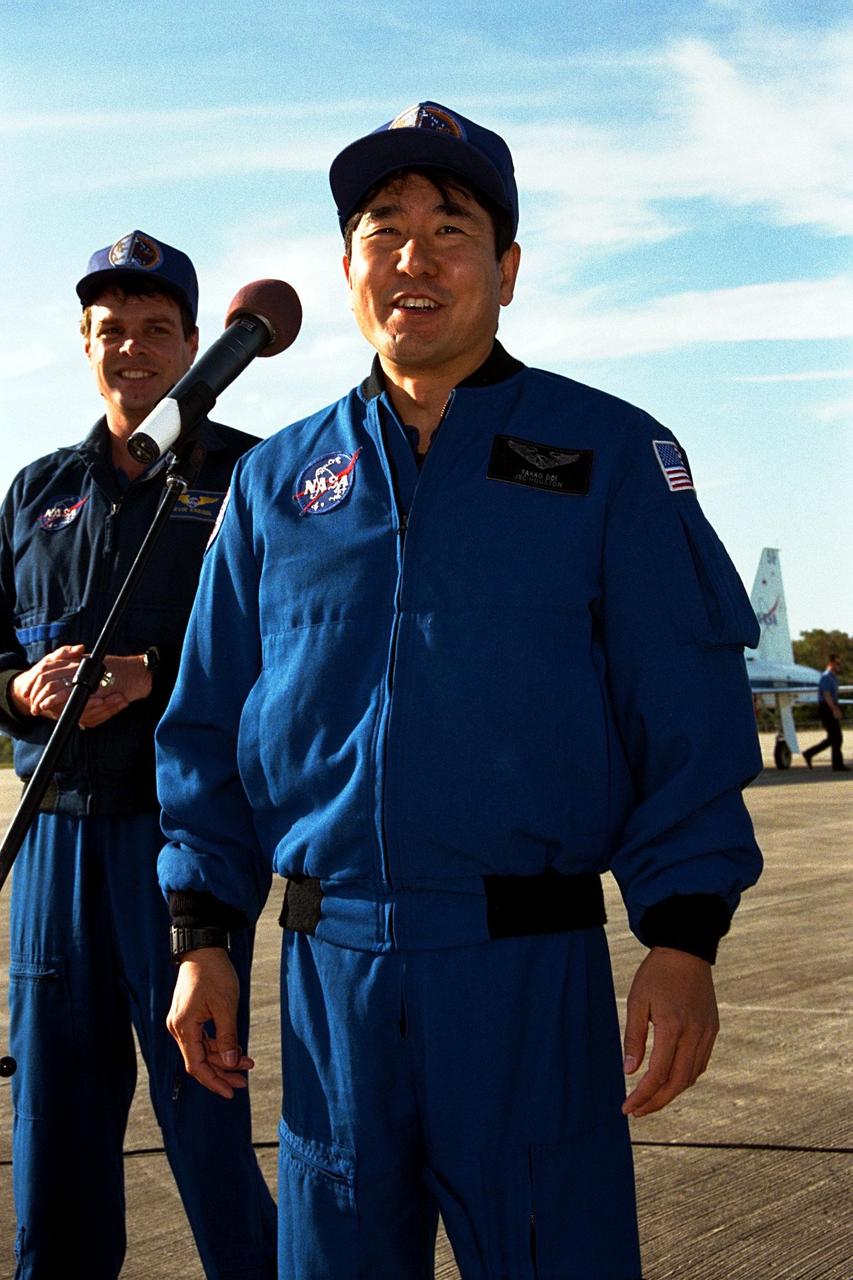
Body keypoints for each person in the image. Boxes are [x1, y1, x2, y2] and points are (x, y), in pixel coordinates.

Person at [157, 103, 764, 1279]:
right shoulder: (276, 483)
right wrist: (201, 934)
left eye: (451, 227)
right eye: (383, 230)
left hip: (526, 979)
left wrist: (683, 937)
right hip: (330, 979)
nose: (414, 256)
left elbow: (682, 707)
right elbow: (208, 722)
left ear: (508, 268)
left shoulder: (610, 456)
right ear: (347, 270)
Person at [0, 231, 276, 1279]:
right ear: (83, 344)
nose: (132, 348)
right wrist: (19, 689)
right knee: (54, 1130)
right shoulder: (35, 491)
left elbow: (292, 640)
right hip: (52, 843)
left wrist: (153, 674)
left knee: (204, 1115)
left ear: (196, 343)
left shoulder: (250, 476)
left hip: (179, 839)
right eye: (110, 329)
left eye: (156, 329)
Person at [804, 653, 849, 771]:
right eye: (837, 663)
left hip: (830, 706)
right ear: (831, 663)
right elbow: (827, 695)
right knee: (836, 737)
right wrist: (834, 709)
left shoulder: (833, 677)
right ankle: (836, 764)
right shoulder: (826, 677)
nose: (839, 666)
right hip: (826, 708)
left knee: (834, 738)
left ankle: (812, 754)